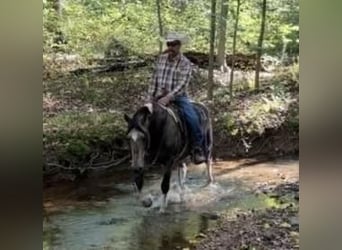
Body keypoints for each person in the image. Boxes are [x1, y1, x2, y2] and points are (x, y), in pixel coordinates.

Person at [146, 32, 206, 164]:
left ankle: (197, 148)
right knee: (142, 118)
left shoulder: (185, 63)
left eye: (173, 44)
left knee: (192, 117)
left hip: (178, 96)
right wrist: (149, 98)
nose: (171, 47)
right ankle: (144, 149)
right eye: (169, 44)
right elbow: (153, 79)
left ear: (179, 45)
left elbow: (182, 84)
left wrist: (169, 97)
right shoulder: (161, 59)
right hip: (158, 96)